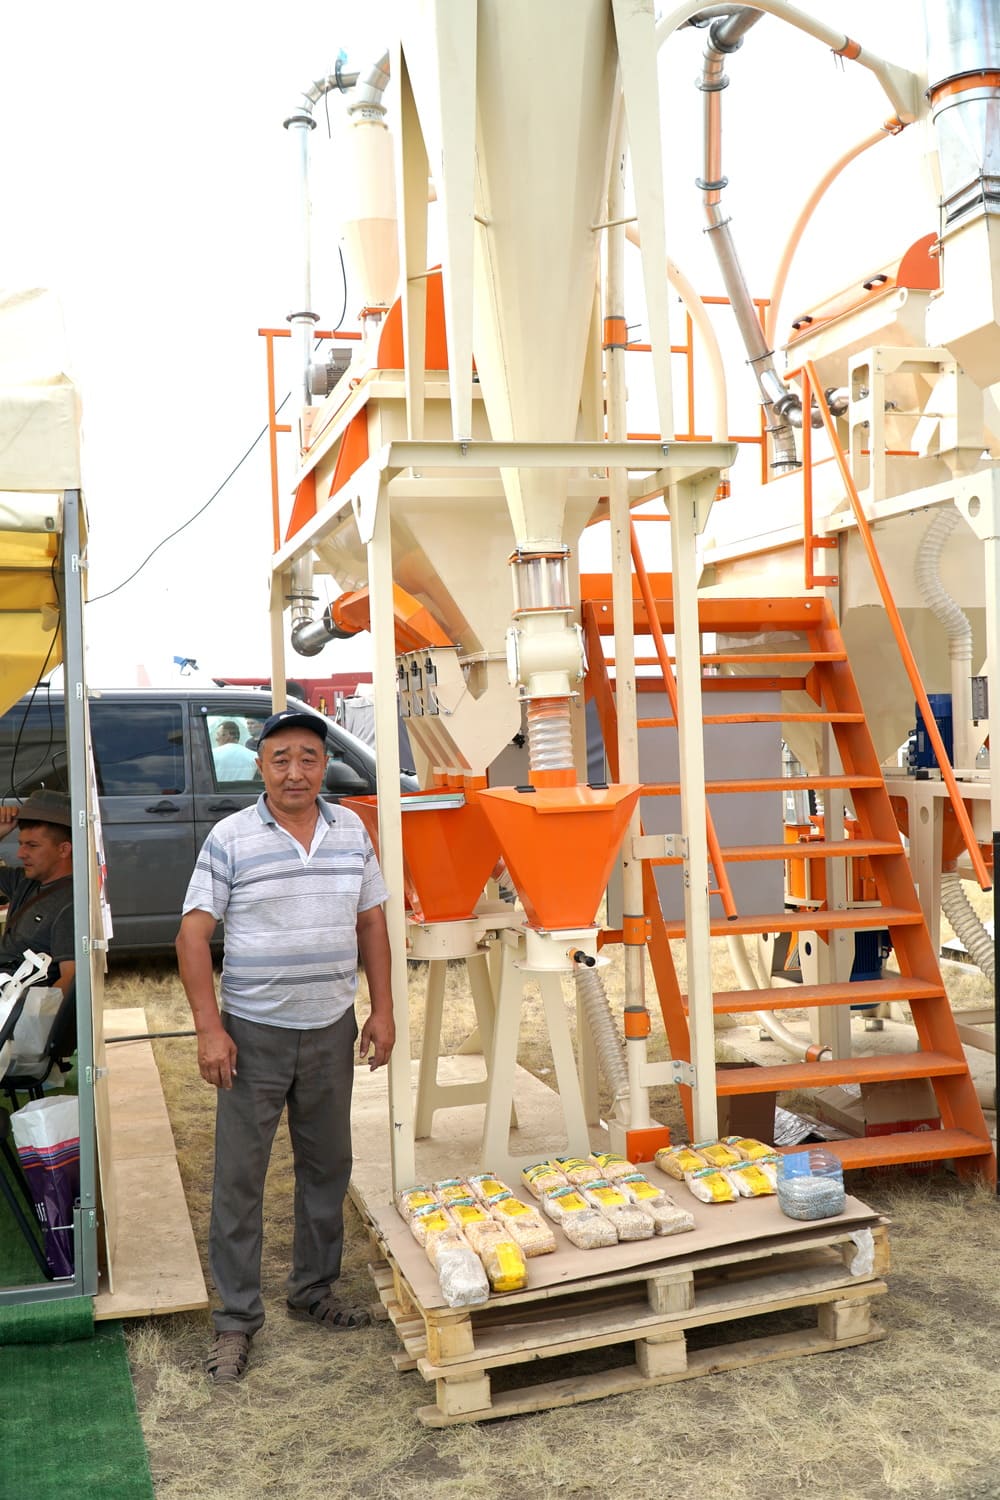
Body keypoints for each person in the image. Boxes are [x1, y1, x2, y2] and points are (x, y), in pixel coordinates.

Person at [175, 708, 395, 1386]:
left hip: (331, 1027)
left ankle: (313, 1290)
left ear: (325, 765)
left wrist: (383, 1009)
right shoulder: (231, 837)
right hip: (253, 1033)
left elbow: (371, 922)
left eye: (308, 758)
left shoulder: (351, 829)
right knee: (240, 1177)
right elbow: (191, 935)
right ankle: (236, 1319)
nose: (295, 771)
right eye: (281, 759)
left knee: (328, 1165)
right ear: (260, 766)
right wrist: (210, 1028)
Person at [0, 789, 75, 996]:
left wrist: (32, 1014)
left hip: (17, 1004)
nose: (20, 853)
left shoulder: (70, 904)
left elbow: (70, 978)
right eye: (20, 844)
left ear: (64, 849)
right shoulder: (26, 881)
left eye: (32, 846)